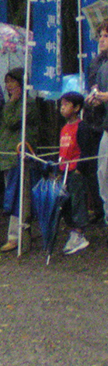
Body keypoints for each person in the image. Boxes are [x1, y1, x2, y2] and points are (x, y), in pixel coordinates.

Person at [0, 67, 41, 252]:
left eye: (12, 82)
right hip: (7, 156)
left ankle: (16, 235)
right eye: (6, 82)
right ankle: (15, 234)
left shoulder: (27, 104)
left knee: (18, 196)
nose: (8, 86)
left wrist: (11, 103)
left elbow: (12, 121)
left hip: (20, 155)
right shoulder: (10, 104)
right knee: (13, 194)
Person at [55, 91, 96, 255]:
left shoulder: (82, 127)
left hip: (76, 172)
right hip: (64, 171)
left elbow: (86, 150)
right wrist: (58, 169)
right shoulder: (64, 128)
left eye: (66, 104)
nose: (62, 108)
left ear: (77, 107)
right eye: (61, 105)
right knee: (65, 203)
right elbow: (62, 151)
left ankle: (79, 232)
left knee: (77, 201)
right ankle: (72, 229)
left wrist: (79, 169)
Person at [83, 20, 108, 229]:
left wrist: (105, 96)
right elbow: (94, 89)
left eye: (106, 36)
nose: (101, 40)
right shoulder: (98, 64)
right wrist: (94, 99)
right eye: (100, 35)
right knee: (102, 175)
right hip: (103, 126)